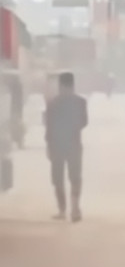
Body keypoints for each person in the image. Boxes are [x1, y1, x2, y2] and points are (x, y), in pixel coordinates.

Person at [44, 71, 87, 221]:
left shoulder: (53, 103)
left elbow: (48, 125)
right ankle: (75, 207)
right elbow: (84, 122)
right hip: (74, 144)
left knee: (58, 178)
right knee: (75, 177)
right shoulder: (81, 102)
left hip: (57, 145)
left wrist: (49, 145)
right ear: (73, 85)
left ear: (60, 85)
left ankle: (62, 210)